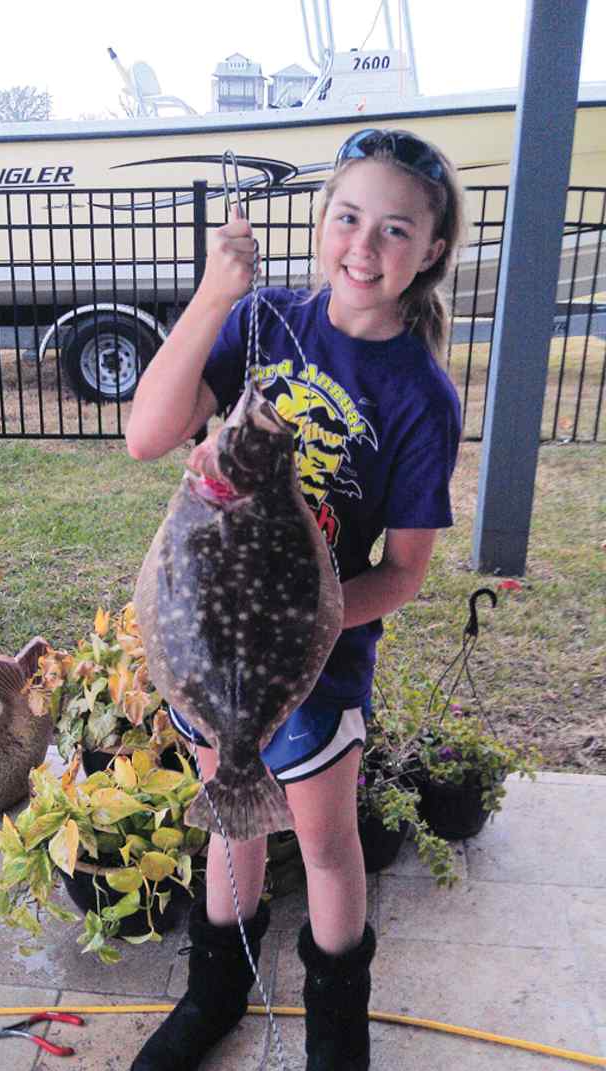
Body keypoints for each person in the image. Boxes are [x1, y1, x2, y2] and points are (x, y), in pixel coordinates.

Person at [126, 127, 465, 1071]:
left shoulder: (420, 399)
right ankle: (214, 994)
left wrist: (304, 633)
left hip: (311, 674)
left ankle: (335, 1037)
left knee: (324, 845)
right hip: (203, 648)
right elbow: (148, 434)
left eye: (396, 229)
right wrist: (214, 293)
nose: (365, 243)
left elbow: (402, 572)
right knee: (227, 821)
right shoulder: (267, 318)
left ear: (430, 250)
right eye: (347, 216)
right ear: (321, 221)